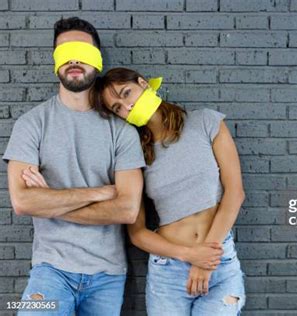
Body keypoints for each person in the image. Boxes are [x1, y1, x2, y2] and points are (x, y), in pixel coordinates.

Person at [2, 17, 147, 315]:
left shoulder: (121, 131)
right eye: (65, 52)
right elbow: (23, 201)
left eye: (83, 51)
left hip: (108, 277)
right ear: (55, 61)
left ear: (98, 60)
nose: (75, 60)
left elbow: (127, 210)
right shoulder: (31, 125)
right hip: (50, 272)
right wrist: (100, 193)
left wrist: (51, 200)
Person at [93, 67, 247, 315]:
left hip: (218, 262)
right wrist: (190, 255)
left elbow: (235, 193)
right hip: (169, 270)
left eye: (126, 94)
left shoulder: (205, 121)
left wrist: (205, 258)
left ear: (143, 83)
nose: (127, 107)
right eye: (117, 108)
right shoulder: (135, 154)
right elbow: (138, 233)